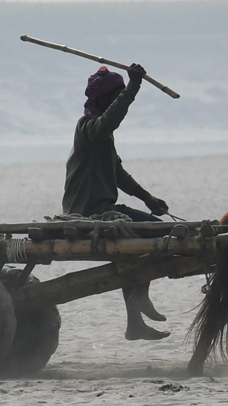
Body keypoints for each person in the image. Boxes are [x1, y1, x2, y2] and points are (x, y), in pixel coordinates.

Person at [62, 63, 173, 341]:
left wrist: (148, 199)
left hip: (105, 209)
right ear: (102, 100)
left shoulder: (103, 137)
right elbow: (110, 120)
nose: (116, 103)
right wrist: (133, 87)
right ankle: (140, 298)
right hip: (88, 213)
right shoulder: (88, 128)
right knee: (156, 233)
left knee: (137, 246)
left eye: (118, 97)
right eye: (113, 97)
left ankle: (134, 322)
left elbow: (118, 173)